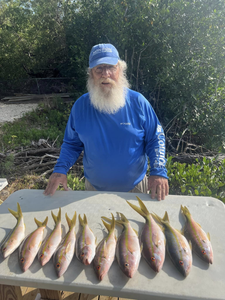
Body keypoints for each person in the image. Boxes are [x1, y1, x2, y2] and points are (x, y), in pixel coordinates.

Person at [44, 43, 169, 200]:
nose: (106, 74)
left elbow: (155, 138)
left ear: (120, 70)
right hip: (92, 190)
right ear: (91, 74)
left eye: (111, 67)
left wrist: (158, 171)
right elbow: (72, 144)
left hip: (135, 188)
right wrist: (60, 170)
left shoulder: (138, 102)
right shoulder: (80, 106)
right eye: (99, 69)